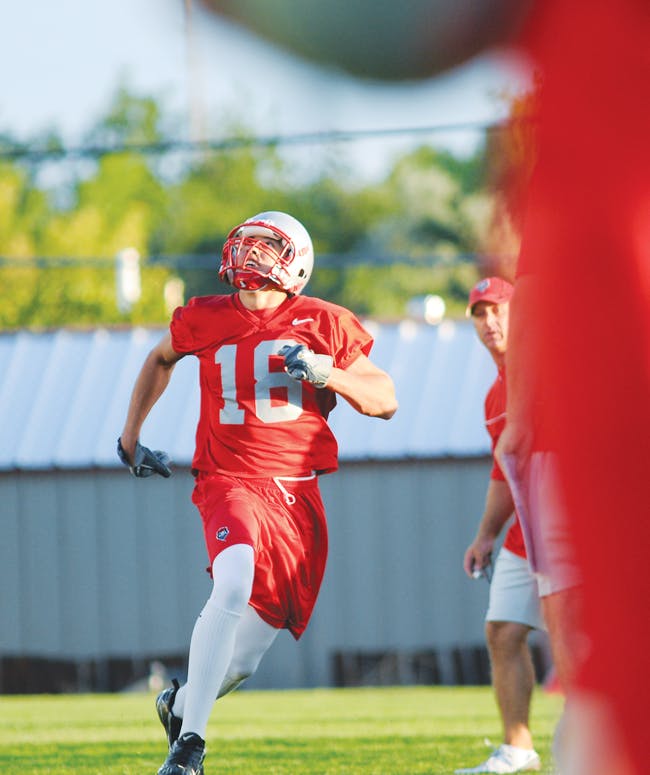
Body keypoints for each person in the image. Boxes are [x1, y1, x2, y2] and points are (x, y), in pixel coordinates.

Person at [117, 210, 398, 775]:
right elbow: (160, 359)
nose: (252, 255)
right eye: (245, 244)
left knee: (241, 661)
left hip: (296, 496)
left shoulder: (324, 321)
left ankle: (179, 703)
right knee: (235, 575)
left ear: (297, 262)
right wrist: (130, 438)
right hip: (228, 480)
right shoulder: (204, 316)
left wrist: (325, 371)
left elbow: (384, 398)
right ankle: (189, 746)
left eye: (267, 246)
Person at [456, 277, 543, 775]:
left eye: (499, 310)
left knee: (577, 639)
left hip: (567, 521)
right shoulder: (495, 395)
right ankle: (518, 748)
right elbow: (502, 471)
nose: (490, 322)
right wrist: (486, 534)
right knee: (504, 631)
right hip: (523, 530)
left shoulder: (550, 371)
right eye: (479, 314)